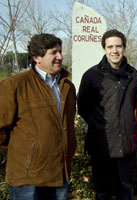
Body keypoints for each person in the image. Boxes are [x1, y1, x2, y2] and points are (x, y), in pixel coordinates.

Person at [0, 33, 77, 200]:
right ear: (36, 57)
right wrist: (25, 151)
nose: (60, 57)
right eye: (53, 53)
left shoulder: (68, 87)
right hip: (27, 176)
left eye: (60, 51)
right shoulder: (15, 85)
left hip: (60, 172)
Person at [77, 29, 137, 200]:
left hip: (126, 144)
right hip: (102, 143)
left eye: (118, 46)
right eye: (110, 46)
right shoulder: (91, 75)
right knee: (103, 192)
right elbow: (83, 106)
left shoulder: (133, 74)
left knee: (125, 189)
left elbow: (132, 104)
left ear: (124, 48)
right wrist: (98, 124)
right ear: (104, 49)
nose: (114, 50)